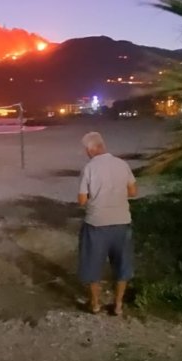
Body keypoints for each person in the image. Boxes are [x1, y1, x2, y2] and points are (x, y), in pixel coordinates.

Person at [77, 131, 138, 316]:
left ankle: (95, 304)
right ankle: (118, 305)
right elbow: (133, 191)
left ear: (91, 149)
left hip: (96, 224)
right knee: (122, 264)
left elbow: (82, 200)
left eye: (86, 150)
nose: (86, 153)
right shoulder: (122, 164)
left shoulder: (89, 168)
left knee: (92, 264)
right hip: (121, 221)